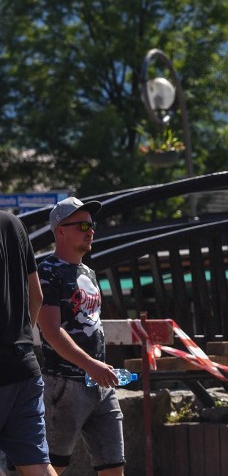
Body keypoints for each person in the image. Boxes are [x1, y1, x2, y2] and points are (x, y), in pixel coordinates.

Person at [37, 197, 126, 476]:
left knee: (113, 465)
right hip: (64, 385)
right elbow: (50, 329)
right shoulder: (47, 271)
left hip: (100, 383)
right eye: (83, 225)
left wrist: (97, 368)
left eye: (92, 225)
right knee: (50, 467)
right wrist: (90, 364)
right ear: (61, 230)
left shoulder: (87, 271)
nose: (91, 231)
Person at [0, 211, 58, 476]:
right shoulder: (13, 223)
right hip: (23, 365)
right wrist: (20, 337)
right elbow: (37, 295)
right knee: (36, 465)